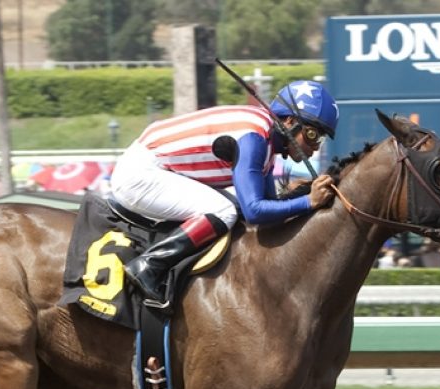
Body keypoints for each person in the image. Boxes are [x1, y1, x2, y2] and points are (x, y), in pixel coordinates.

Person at [109, 80, 338, 301]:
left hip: (154, 167)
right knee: (224, 211)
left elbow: (269, 211)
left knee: (232, 207)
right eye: (312, 135)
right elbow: (254, 211)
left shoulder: (265, 141)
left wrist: (300, 195)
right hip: (140, 174)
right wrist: (309, 201)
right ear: (290, 121)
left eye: (320, 139)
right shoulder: (254, 137)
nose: (315, 147)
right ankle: (150, 266)